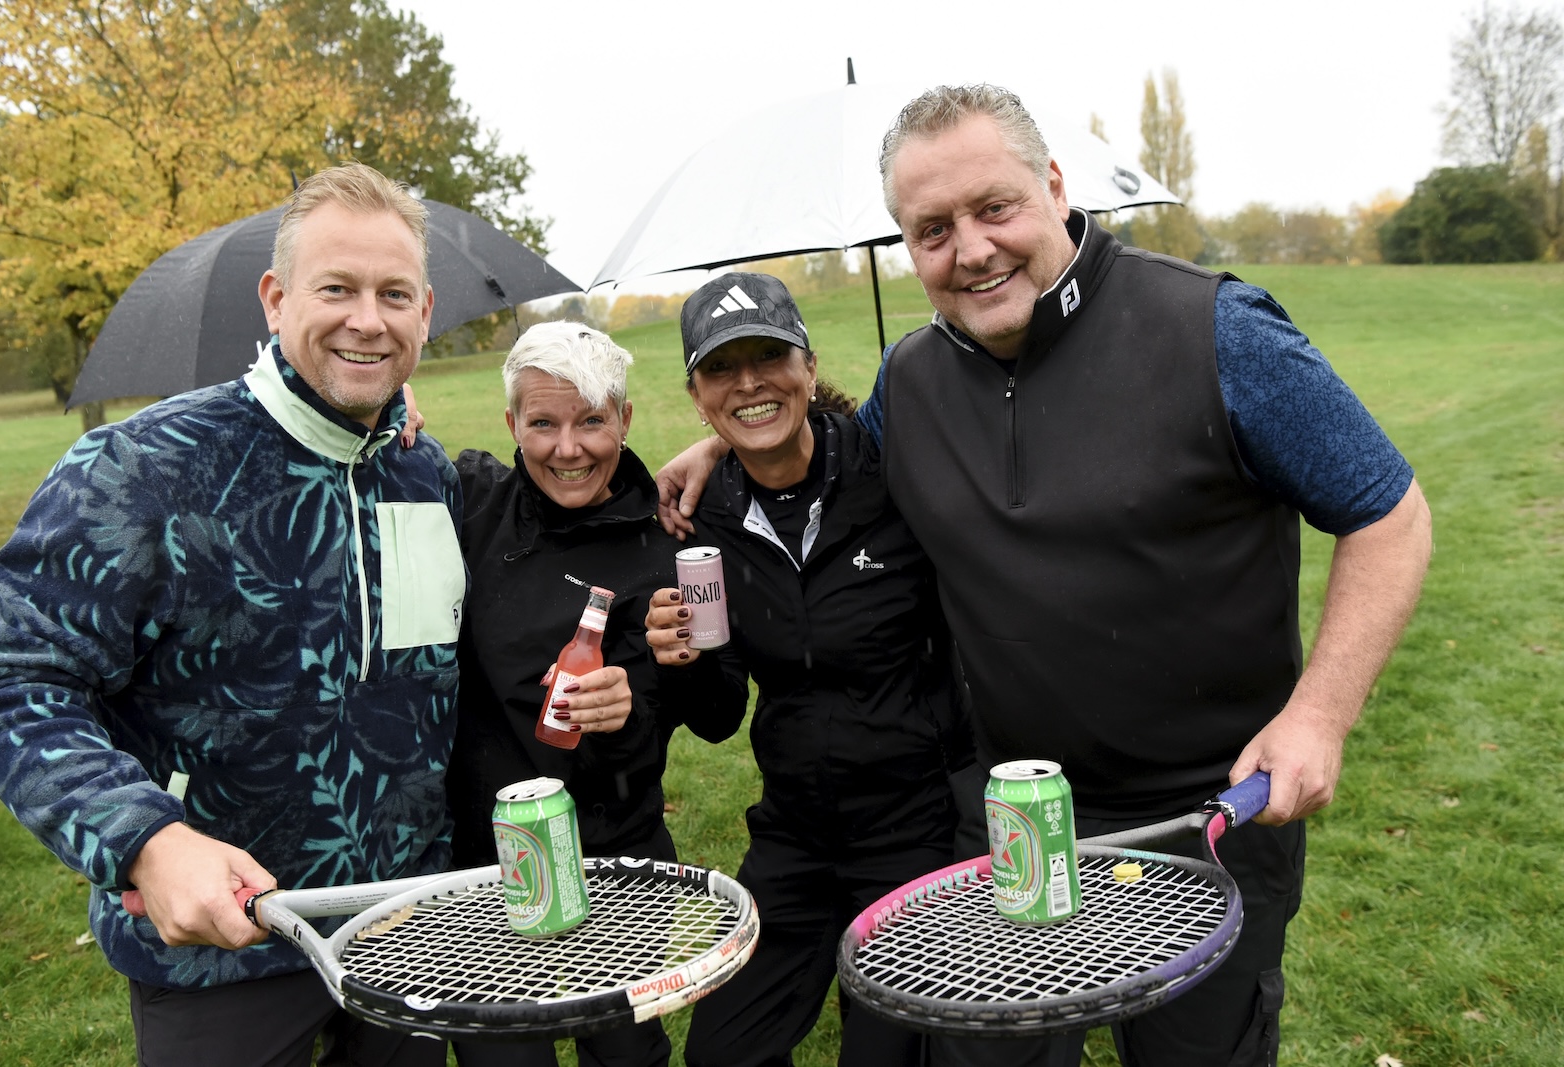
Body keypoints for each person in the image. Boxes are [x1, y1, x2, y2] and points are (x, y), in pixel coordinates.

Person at [657, 88, 1433, 1067]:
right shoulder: (912, 383)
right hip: (1009, 813)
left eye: (994, 207)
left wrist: (1319, 714)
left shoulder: (1214, 330)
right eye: (931, 229)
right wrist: (716, 450)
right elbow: (817, 450)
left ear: (1056, 186)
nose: (970, 249)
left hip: (1207, 815)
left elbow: (1388, 512)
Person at [0, 162, 465, 1067]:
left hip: (406, 934)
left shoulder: (425, 474)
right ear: (275, 299)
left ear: (424, 313)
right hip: (215, 961)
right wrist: (143, 840)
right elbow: (6, 681)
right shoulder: (136, 468)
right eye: (337, 288)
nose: (368, 318)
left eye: (395, 294)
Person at [643, 272, 972, 1067]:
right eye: (722, 368)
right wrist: (683, 661)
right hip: (794, 835)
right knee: (722, 1054)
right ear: (696, 394)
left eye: (769, 356)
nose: (750, 382)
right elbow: (721, 715)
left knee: (885, 1056)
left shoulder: (892, 470)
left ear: (806, 364)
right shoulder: (703, 520)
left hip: (911, 831)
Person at [446, 321, 742, 1067]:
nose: (567, 448)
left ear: (625, 419)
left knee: (627, 1056)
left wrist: (654, 685)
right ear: (512, 423)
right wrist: (394, 412)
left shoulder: (671, 538)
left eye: (591, 421)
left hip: (620, 857)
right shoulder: (474, 506)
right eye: (542, 423)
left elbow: (720, 714)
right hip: (487, 861)